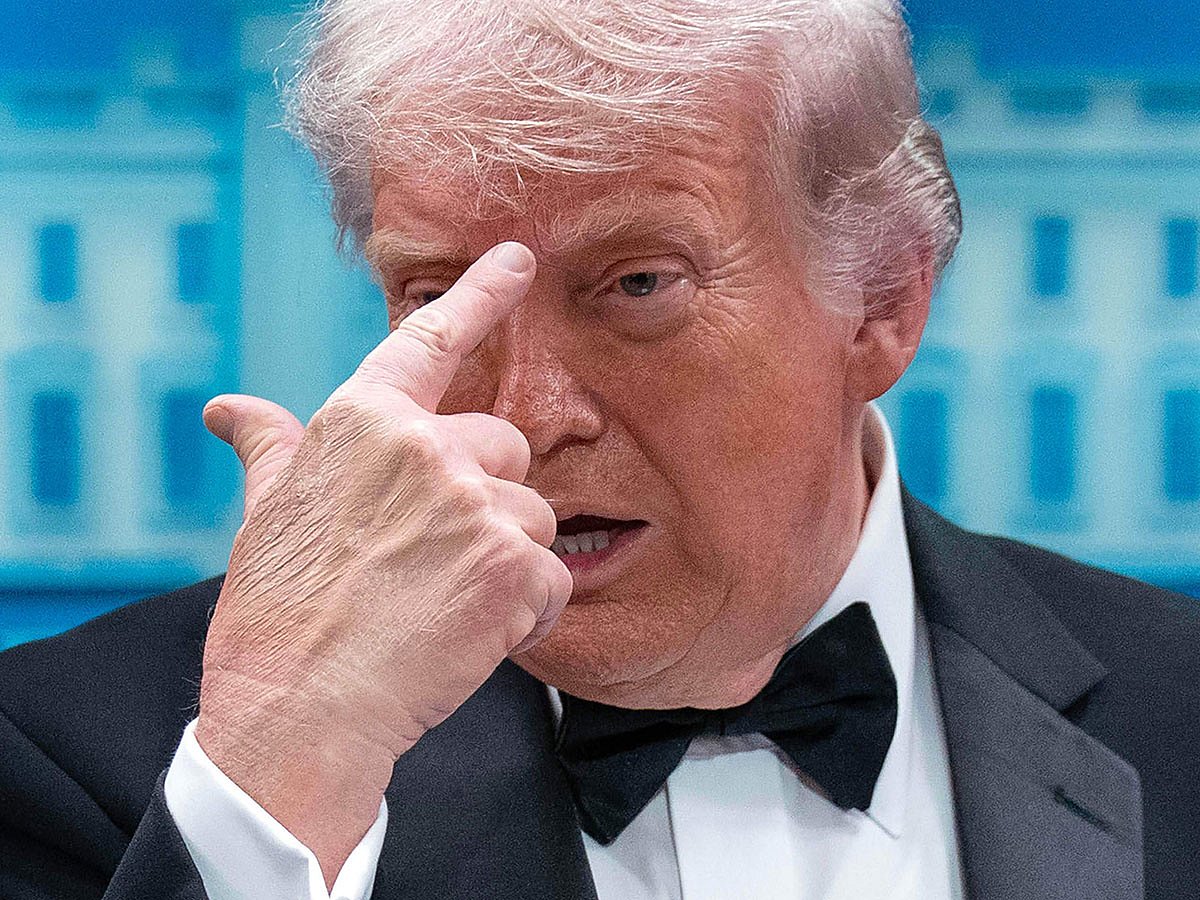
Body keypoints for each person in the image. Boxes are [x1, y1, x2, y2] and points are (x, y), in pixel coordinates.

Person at [1, 1, 1197, 898]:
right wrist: (285, 777)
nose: (528, 414)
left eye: (636, 284)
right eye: (441, 296)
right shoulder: (84, 754)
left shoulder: (1178, 706)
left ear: (883, 297)